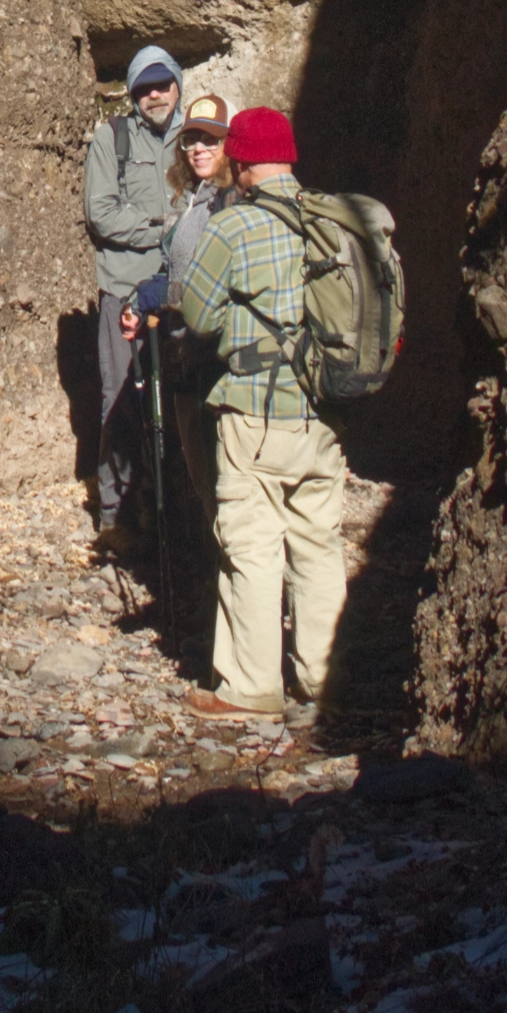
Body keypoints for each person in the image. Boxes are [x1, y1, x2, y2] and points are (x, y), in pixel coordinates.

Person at [177, 106, 344, 729]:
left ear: (242, 162)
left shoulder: (235, 226)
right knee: (318, 544)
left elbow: (198, 316)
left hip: (255, 409)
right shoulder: (330, 218)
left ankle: (251, 685)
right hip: (324, 412)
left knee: (251, 544)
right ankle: (324, 675)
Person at [81, 45, 184, 555]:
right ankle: (117, 515)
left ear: (179, 85)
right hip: (124, 288)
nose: (155, 95)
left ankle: (179, 509)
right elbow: (100, 213)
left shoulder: (197, 138)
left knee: (183, 398)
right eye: (145, 88)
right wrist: (162, 229)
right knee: (120, 399)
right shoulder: (112, 139)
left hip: (182, 289)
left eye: (163, 85)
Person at [130, 93, 233, 527]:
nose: (199, 149)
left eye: (211, 139)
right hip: (189, 359)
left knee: (224, 493)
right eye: (191, 140)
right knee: (208, 489)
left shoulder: (229, 202)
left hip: (216, 364)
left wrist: (159, 295)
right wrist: (148, 296)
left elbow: (215, 286)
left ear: (230, 145)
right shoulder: (196, 198)